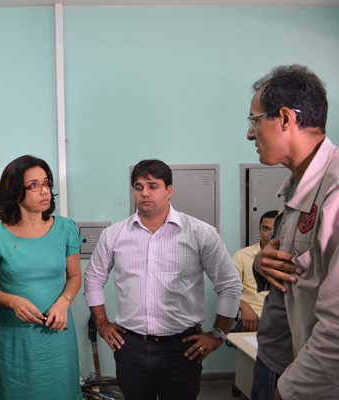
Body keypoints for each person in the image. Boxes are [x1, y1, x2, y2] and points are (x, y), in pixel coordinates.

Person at [84, 159, 242, 400]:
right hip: (130, 348)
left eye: (152, 186)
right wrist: (102, 323)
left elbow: (230, 286)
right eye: (138, 187)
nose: (145, 193)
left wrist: (218, 335)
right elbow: (93, 278)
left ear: (169, 190)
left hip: (182, 348)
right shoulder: (114, 235)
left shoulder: (200, 232)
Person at [246, 65, 339, 400]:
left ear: (284, 118)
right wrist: (260, 264)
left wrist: (289, 390)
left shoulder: (334, 193)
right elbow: (294, 271)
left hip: (304, 381)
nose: (250, 133)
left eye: (254, 120)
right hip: (274, 357)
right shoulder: (298, 186)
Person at [0, 155, 83, 400]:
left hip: (58, 336)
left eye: (46, 183)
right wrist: (13, 301)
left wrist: (64, 301)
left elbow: (75, 276)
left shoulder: (66, 228)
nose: (44, 191)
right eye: (34, 185)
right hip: (16, 339)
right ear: (15, 192)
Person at [231, 210, 277, 332]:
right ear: (259, 229)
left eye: (275, 230)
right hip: (254, 316)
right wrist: (244, 306)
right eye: (265, 229)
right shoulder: (242, 256)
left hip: (282, 317)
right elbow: (227, 289)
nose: (269, 234)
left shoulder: (292, 257)